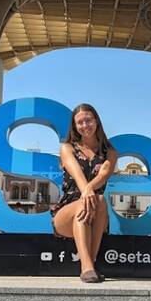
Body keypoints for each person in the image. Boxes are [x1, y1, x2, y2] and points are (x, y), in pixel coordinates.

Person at [50, 104, 117, 283]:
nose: (85, 125)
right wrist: (86, 191)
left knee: (100, 199)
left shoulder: (110, 152)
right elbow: (77, 176)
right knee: (86, 200)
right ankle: (86, 267)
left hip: (96, 211)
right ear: (75, 126)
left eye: (88, 120)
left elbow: (104, 175)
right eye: (80, 122)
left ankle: (91, 263)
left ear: (96, 121)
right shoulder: (67, 148)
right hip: (66, 213)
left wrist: (89, 190)